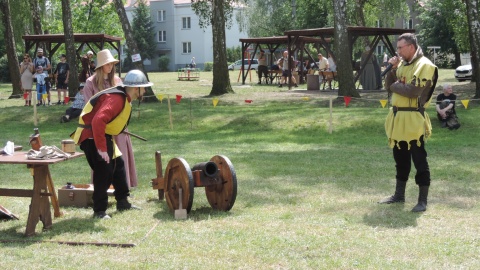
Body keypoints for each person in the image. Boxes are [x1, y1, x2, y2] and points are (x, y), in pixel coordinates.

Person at [71, 70, 152, 219]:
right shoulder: (117, 99)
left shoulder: (123, 97)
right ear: (136, 89)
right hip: (91, 136)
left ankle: (122, 201)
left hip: (101, 134)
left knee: (118, 165)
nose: (145, 90)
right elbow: (97, 121)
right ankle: (99, 211)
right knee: (104, 170)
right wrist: (101, 149)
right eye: (143, 87)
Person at [379, 33, 438, 212]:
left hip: (413, 118)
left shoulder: (425, 65)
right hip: (398, 118)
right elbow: (387, 85)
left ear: (411, 47)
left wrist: (395, 85)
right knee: (400, 159)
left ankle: (422, 201)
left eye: (400, 48)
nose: (398, 51)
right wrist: (392, 70)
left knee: (419, 159)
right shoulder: (402, 64)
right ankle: (399, 195)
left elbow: (413, 91)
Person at [83, 49, 138, 189]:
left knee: (120, 160)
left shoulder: (118, 81)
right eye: (107, 64)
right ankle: (103, 190)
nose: (110, 66)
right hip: (100, 128)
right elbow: (88, 107)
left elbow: (125, 103)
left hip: (117, 128)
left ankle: (122, 190)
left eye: (112, 64)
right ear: (101, 66)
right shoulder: (90, 83)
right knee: (103, 160)